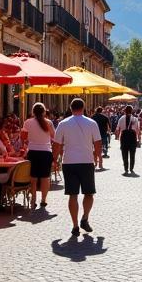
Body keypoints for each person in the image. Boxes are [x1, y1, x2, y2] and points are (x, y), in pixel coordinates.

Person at [53, 99, 102, 238]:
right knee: (89, 193)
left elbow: (56, 144)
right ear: (84, 107)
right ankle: (85, 218)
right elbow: (98, 143)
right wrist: (97, 157)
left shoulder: (63, 124)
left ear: (70, 108)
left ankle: (75, 225)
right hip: (86, 162)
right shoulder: (92, 123)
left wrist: (54, 160)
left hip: (69, 162)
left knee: (72, 194)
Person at [22, 102, 56, 211]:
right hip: (46, 152)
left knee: (33, 177)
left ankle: (33, 199)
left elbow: (23, 137)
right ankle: (43, 200)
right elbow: (54, 137)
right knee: (45, 177)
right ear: (44, 111)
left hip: (32, 151)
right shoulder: (49, 123)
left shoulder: (27, 122)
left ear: (33, 112)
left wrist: (29, 141)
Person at [115, 105, 140, 175]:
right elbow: (137, 129)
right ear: (132, 111)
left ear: (125, 111)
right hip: (132, 136)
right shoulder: (135, 119)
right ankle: (131, 168)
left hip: (124, 137)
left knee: (124, 153)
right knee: (132, 153)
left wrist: (117, 137)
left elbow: (118, 129)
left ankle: (126, 168)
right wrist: (137, 138)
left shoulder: (121, 118)